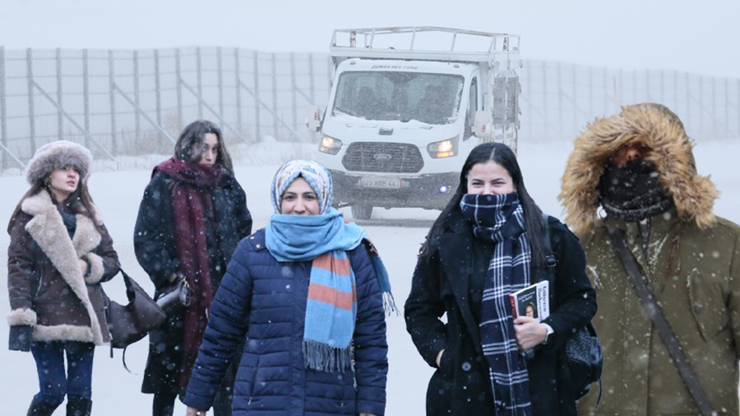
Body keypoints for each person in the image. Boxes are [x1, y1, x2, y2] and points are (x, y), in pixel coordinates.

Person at [560, 103, 740, 415]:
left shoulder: (727, 244)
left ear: (673, 159)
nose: (631, 157)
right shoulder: (576, 251)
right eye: (620, 149)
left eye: (643, 147)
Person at [182, 160, 390, 416]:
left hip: (331, 404)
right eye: (290, 197)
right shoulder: (253, 252)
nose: (299, 207)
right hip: (261, 404)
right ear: (278, 199)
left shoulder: (352, 253)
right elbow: (221, 334)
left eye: (309, 197)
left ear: (324, 199)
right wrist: (199, 398)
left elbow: (371, 339)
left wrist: (371, 405)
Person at [405, 142, 597, 416]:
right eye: (477, 183)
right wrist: (443, 355)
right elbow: (419, 311)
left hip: (541, 392)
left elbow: (582, 300)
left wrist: (546, 331)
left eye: (497, 183)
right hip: (463, 395)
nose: (487, 192)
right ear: (465, 185)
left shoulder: (550, 236)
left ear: (515, 184)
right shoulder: (446, 241)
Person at [134, 120, 253, 416]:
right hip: (179, 299)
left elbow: (243, 229)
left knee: (225, 375)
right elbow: (145, 238)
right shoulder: (165, 181)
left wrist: (235, 273)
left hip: (223, 295)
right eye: (203, 147)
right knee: (168, 381)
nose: (209, 155)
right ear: (189, 145)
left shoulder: (226, 183)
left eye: (214, 148)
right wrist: (172, 274)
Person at [7, 140, 120, 416]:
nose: (73, 175)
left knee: (81, 397)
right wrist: (22, 312)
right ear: (47, 174)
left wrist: (89, 265)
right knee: (53, 392)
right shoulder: (30, 214)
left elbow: (112, 261)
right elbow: (18, 266)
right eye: (64, 168)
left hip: (83, 315)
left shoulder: (89, 215)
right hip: (45, 317)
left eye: (77, 170)